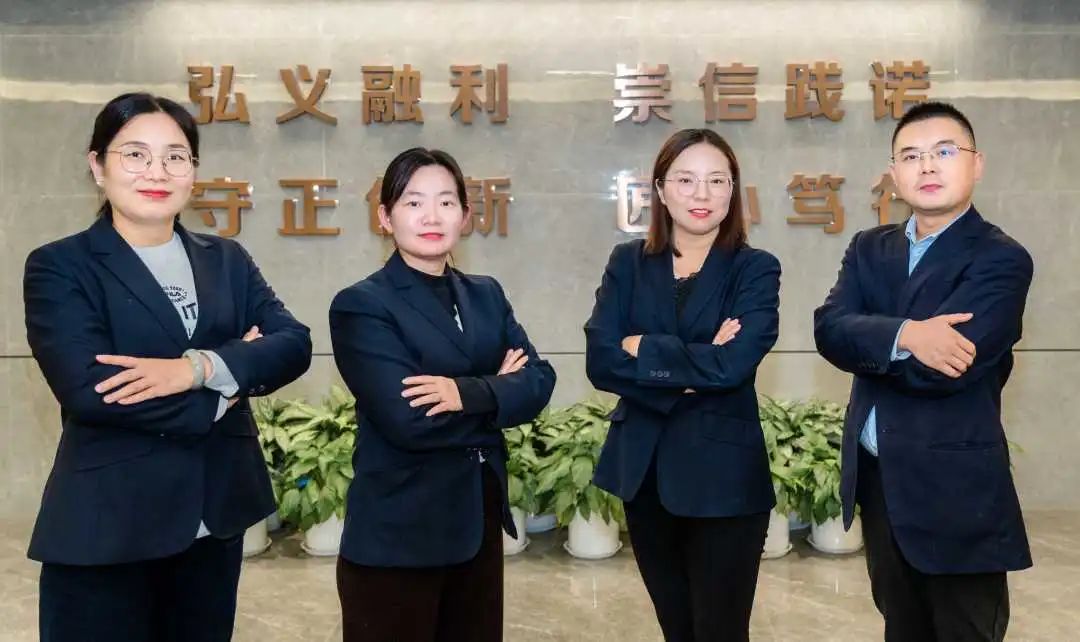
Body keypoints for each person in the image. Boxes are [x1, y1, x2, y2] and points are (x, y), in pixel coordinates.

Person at [24, 92, 313, 642]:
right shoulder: (61, 266)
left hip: (213, 520)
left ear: (193, 172)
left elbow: (292, 343)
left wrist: (198, 368)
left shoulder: (226, 259)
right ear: (97, 166)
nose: (157, 171)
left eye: (176, 157)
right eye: (135, 154)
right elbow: (93, 390)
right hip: (108, 528)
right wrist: (228, 387)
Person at [814, 101, 1033, 642]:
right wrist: (909, 335)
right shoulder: (869, 248)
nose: (927, 166)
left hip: (956, 491)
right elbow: (828, 330)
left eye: (944, 152)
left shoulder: (1001, 258)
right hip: (880, 483)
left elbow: (945, 371)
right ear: (893, 173)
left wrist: (870, 341)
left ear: (976, 164)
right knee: (901, 627)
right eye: (911, 156)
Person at [329, 147, 556, 642]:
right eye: (413, 202)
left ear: (465, 216)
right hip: (399, 538)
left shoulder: (486, 293)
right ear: (385, 217)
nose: (432, 216)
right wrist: (499, 390)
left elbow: (539, 381)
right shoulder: (362, 306)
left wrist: (462, 393)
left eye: (446, 202)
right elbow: (408, 420)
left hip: (476, 528)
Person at [584, 128, 781, 642]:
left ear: (733, 190)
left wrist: (642, 347)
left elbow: (732, 367)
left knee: (720, 631)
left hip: (725, 482)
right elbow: (601, 361)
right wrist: (698, 358)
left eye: (717, 180)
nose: (701, 193)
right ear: (661, 189)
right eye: (686, 179)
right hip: (645, 475)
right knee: (676, 628)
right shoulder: (628, 262)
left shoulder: (755, 269)